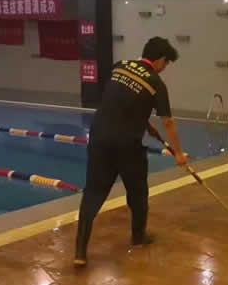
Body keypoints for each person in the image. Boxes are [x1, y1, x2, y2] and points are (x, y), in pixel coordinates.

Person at [74, 37, 188, 266]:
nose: (164, 68)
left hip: (99, 138)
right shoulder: (156, 82)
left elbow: (119, 101)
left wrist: (143, 122)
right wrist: (178, 153)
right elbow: (168, 122)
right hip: (127, 145)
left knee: (93, 193)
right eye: (166, 63)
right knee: (137, 192)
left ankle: (80, 253)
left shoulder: (120, 66)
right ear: (160, 60)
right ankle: (138, 237)